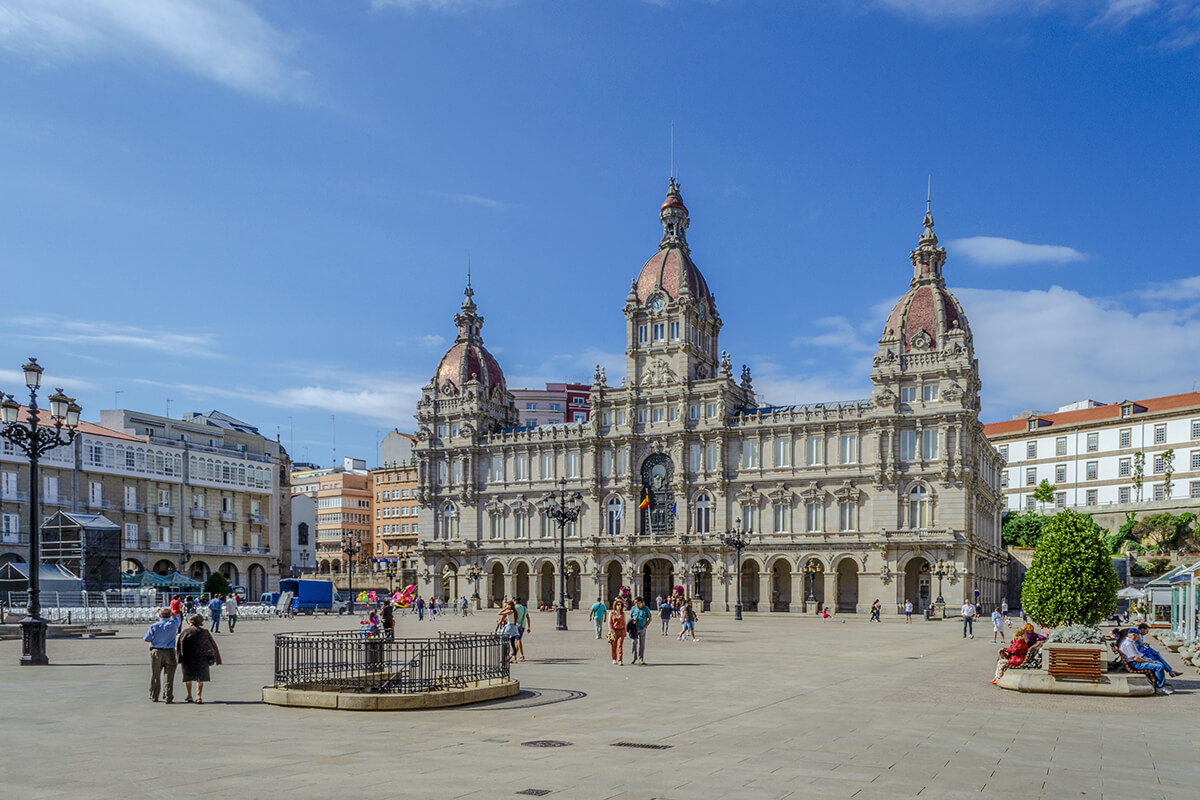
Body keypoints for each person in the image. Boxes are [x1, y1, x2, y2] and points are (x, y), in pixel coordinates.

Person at [177, 614, 222, 704]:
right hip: (202, 657)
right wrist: (214, 656)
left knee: (188, 677)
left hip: (188, 657)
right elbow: (212, 644)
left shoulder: (186, 632)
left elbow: (180, 644)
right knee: (200, 678)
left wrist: (179, 657)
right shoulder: (205, 632)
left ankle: (189, 695)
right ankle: (199, 696)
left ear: (190, 622)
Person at [143, 607, 181, 703]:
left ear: (159, 616)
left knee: (156, 674)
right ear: (170, 616)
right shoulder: (174, 624)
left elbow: (147, 638)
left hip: (157, 651)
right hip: (170, 651)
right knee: (169, 675)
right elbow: (177, 617)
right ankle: (168, 696)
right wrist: (172, 614)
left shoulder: (154, 626)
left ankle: (154, 695)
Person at [1119, 629, 1172, 694]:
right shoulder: (1128, 644)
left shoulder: (1130, 642)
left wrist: (1148, 660)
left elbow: (1138, 655)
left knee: (1159, 663)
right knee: (1159, 667)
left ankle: (1159, 684)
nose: (1139, 637)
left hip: (1136, 662)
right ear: (1134, 635)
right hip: (1134, 664)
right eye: (1138, 635)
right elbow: (1136, 658)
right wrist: (1147, 661)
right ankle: (1160, 688)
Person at [628, 596, 651, 665]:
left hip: (642, 628)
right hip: (634, 628)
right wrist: (631, 621)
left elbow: (650, 618)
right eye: (634, 603)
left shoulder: (646, 609)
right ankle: (634, 657)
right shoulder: (633, 608)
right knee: (633, 643)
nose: (635, 604)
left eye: (636, 602)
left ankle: (641, 659)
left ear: (640, 602)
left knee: (642, 644)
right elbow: (630, 616)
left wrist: (645, 626)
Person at [607, 599, 627, 665]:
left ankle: (620, 660)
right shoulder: (611, 613)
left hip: (621, 631)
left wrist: (625, 631)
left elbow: (624, 622)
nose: (620, 606)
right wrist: (610, 630)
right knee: (613, 646)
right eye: (618, 605)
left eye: (621, 605)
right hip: (613, 631)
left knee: (620, 645)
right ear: (615, 605)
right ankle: (614, 659)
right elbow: (609, 622)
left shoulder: (622, 613)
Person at [513, 597, 530, 662]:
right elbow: (528, 617)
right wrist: (528, 627)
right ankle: (514, 653)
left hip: (516, 626)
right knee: (518, 640)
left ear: (516, 602)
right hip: (522, 626)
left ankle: (521, 655)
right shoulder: (524, 608)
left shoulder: (515, 608)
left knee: (518, 639)